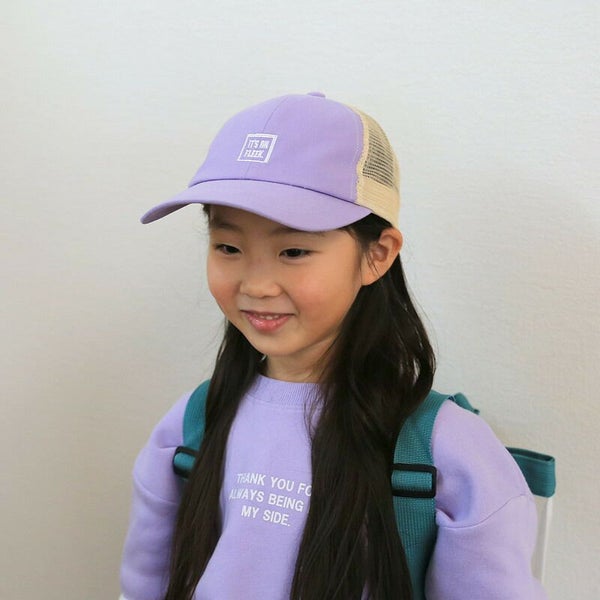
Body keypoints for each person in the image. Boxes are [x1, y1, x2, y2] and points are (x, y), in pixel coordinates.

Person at [119, 92, 546, 600]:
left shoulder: (448, 452)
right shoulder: (191, 426)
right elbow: (144, 585)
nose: (256, 284)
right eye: (228, 247)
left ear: (377, 254)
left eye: (293, 250)